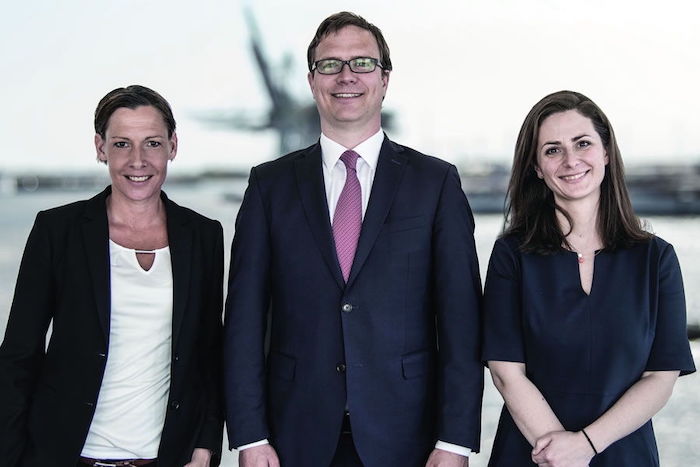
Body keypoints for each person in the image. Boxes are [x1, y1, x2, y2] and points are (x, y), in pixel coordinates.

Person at [224, 11, 483, 467]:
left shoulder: (435, 182)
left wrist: (455, 441)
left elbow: (461, 322)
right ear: (311, 81)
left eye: (362, 63)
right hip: (291, 438)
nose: (346, 76)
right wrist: (249, 436)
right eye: (330, 64)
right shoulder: (269, 186)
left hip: (410, 438)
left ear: (385, 79)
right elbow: (244, 320)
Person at [0, 85, 224, 467]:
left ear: (172, 146)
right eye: (122, 144)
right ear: (100, 148)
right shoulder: (58, 230)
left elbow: (209, 353)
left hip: (166, 458)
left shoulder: (203, 235)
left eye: (152, 143)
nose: (138, 160)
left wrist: (205, 445)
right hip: (66, 456)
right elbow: (19, 354)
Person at [482, 90, 696, 466]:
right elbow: (506, 374)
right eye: (552, 150)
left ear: (607, 153)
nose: (571, 160)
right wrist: (558, 454)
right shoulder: (511, 256)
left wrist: (585, 446)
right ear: (535, 167)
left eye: (583, 143)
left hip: (625, 454)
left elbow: (661, 376)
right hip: (531, 453)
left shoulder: (655, 258)